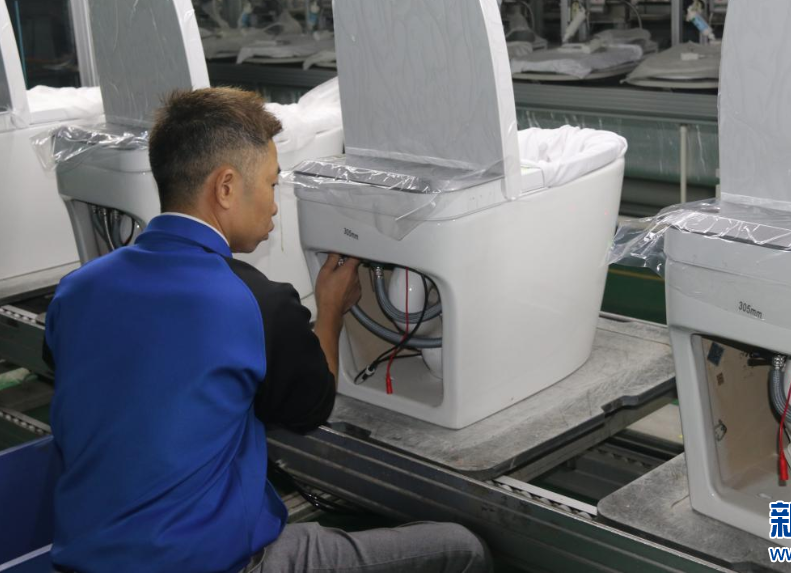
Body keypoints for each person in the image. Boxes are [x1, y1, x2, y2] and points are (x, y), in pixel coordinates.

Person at [44, 87, 491, 572]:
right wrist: (330, 312)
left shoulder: (74, 290)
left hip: (84, 561)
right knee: (461, 549)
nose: (275, 206)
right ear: (226, 187)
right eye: (272, 184)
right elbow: (310, 408)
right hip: (214, 564)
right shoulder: (254, 301)